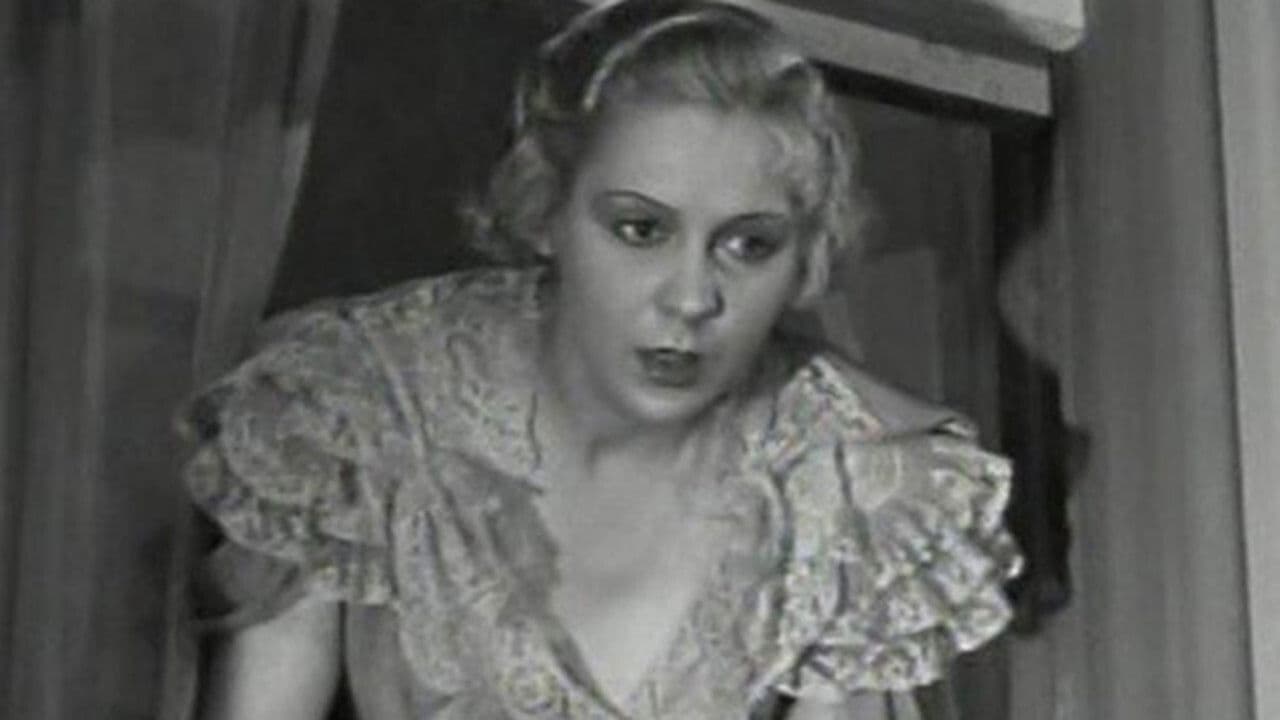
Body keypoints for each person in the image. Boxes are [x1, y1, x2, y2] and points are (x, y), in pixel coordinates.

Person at [177, 1, 1021, 718]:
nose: (692, 298)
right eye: (640, 230)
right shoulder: (359, 402)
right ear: (546, 211)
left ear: (804, 260)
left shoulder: (852, 483)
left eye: (749, 245)